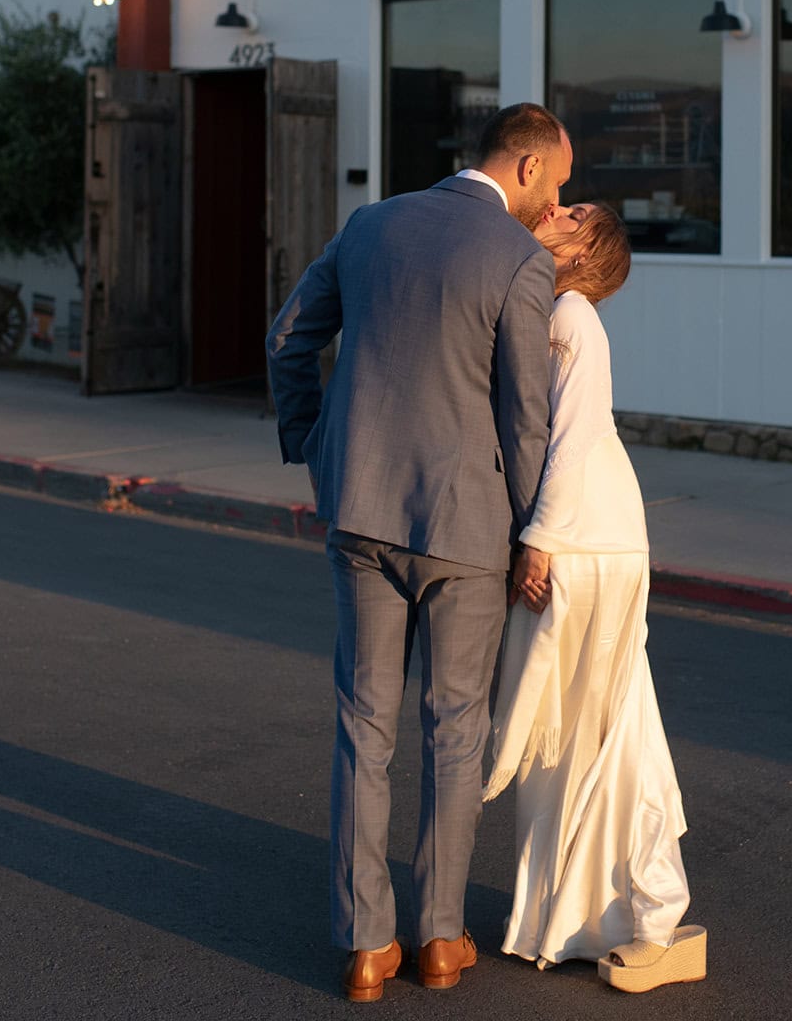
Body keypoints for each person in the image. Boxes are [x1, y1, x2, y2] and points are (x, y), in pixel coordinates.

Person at [265, 103, 573, 1002]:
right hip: (467, 529)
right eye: (554, 184)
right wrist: (530, 531)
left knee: (364, 726)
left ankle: (366, 946)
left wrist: (314, 443)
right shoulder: (516, 259)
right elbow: (524, 417)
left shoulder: (370, 224)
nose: (556, 202)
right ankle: (439, 938)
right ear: (520, 169)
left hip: (358, 511)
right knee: (454, 728)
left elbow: (289, 336)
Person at [483, 202, 707, 994]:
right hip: (586, 531)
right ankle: (581, 917)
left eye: (573, 213)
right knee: (577, 729)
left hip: (588, 538)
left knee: (600, 727)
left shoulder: (572, 317)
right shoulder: (544, 307)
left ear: (584, 253)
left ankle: (653, 914)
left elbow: (573, 436)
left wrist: (536, 539)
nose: (556, 207)